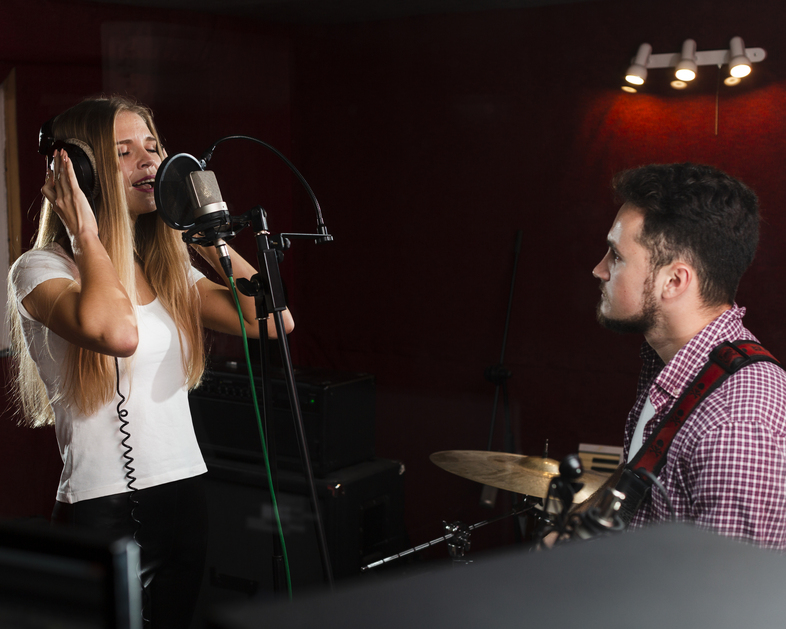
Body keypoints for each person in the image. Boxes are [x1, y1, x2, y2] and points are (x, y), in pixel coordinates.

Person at [7, 95, 294, 627]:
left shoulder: (166, 271)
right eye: (123, 151)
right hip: (102, 506)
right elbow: (117, 333)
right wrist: (87, 232)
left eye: (153, 146)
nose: (149, 161)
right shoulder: (41, 270)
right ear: (82, 170)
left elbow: (273, 320)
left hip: (185, 492)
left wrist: (202, 228)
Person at [592, 162, 786, 550]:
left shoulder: (738, 424)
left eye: (616, 256)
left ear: (675, 281)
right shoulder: (678, 368)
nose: (599, 270)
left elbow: (724, 603)